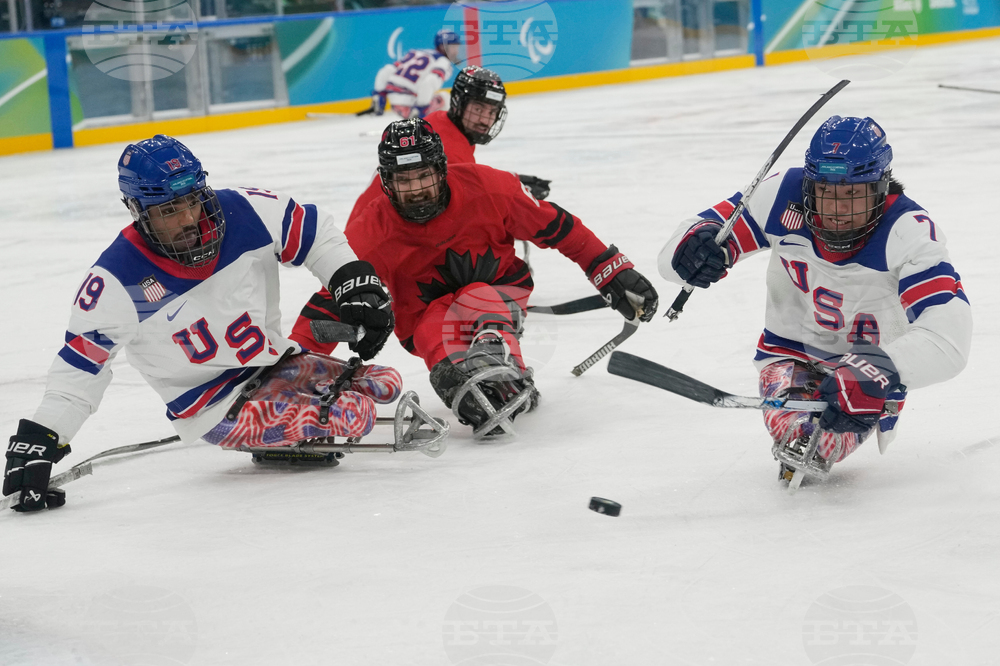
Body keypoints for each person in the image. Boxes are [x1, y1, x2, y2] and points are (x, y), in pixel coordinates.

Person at [3, 135, 399, 512]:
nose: (189, 219)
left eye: (192, 200)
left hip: (273, 363)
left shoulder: (245, 212)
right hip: (214, 407)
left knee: (387, 382)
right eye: (169, 211)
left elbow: (315, 234)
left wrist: (350, 278)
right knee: (354, 414)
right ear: (138, 210)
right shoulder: (118, 280)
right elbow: (80, 371)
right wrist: (42, 437)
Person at [657, 116, 971, 482]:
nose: (837, 210)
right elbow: (672, 259)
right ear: (809, 185)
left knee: (822, 445)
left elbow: (949, 340)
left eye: (852, 193)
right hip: (789, 350)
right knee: (798, 436)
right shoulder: (779, 196)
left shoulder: (909, 233)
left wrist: (882, 369)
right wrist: (694, 248)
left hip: (868, 377)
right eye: (826, 192)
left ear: (880, 188)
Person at [300, 118, 659, 438]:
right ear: (385, 182)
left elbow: (558, 227)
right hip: (424, 317)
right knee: (437, 327)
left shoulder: (490, 188)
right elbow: (334, 301)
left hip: (499, 291)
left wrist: (612, 271)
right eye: (404, 180)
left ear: (442, 169)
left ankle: (502, 357)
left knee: (477, 294)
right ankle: (456, 370)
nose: (417, 190)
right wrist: (293, 368)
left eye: (424, 175)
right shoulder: (369, 231)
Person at [293, 66, 551, 354]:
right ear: (459, 104)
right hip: (385, 239)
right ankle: (303, 351)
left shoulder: (441, 125)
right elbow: (455, 187)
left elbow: (460, 177)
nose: (484, 119)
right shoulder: (447, 146)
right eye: (478, 108)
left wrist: (516, 181)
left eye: (491, 111)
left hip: (382, 231)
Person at [367, 28, 461, 120]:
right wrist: (420, 110)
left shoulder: (416, 52)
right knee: (446, 97)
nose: (456, 51)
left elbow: (386, 70)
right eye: (453, 47)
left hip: (395, 105)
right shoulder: (443, 62)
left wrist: (379, 96)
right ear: (443, 47)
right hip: (411, 107)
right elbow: (429, 82)